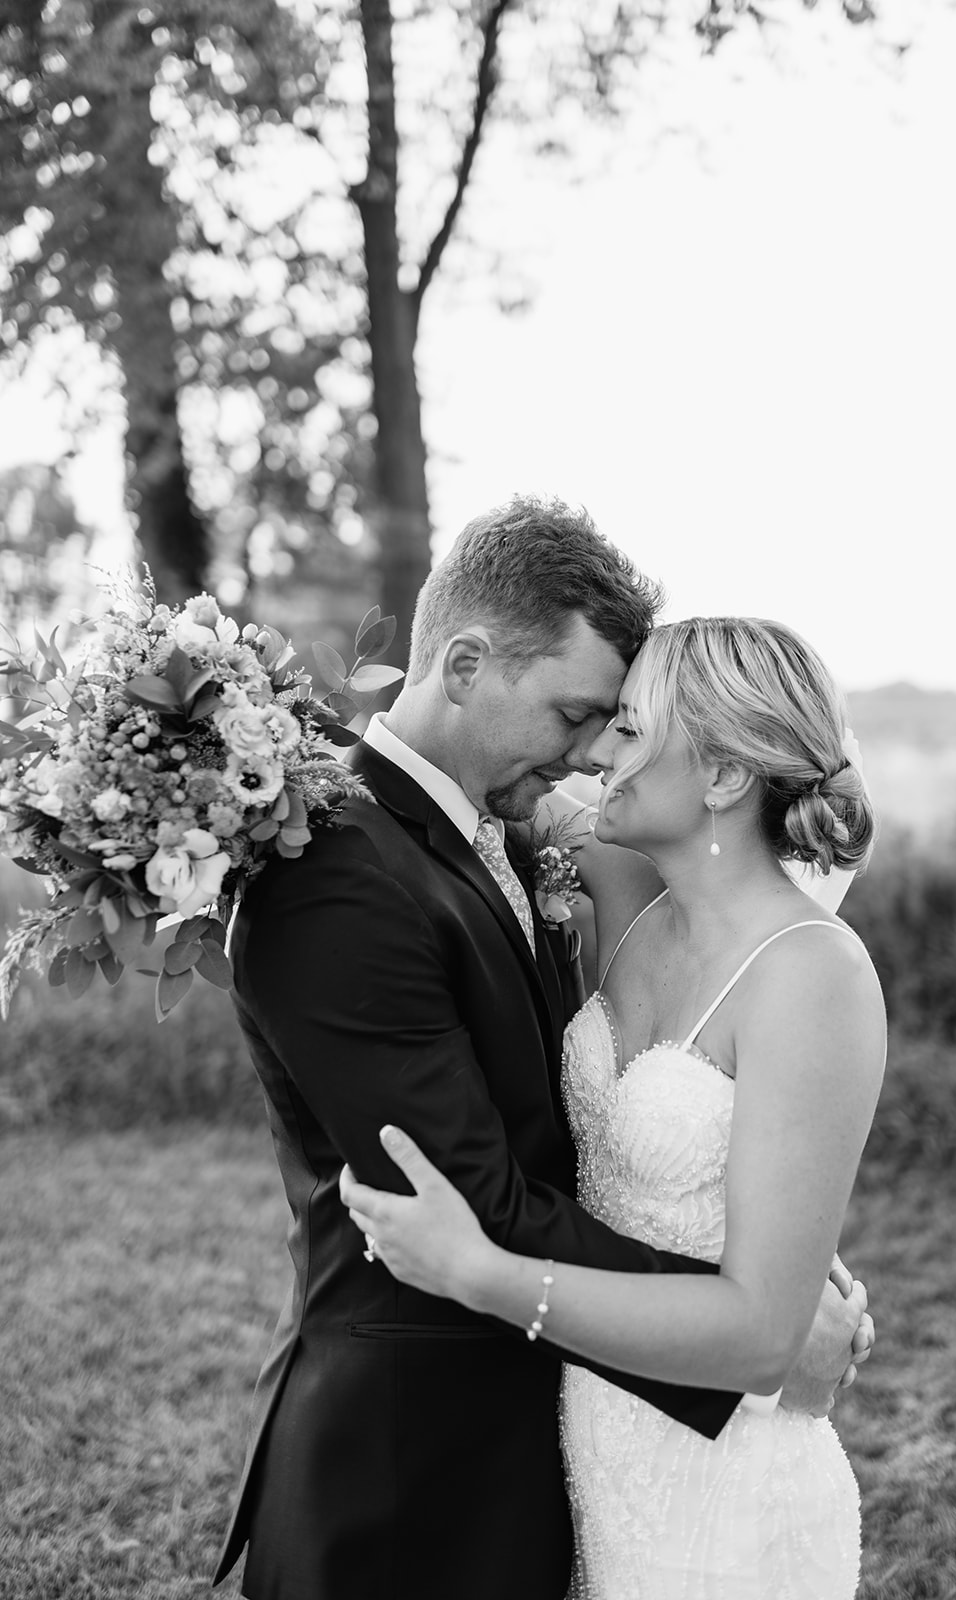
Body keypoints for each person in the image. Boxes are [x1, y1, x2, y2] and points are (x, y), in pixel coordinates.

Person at [213, 502, 873, 1600]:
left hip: (575, 1427)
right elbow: (474, 1197)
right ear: (465, 664)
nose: (588, 755)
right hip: (416, 1460)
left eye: (616, 724)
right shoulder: (338, 871)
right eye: (579, 714)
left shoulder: (504, 833)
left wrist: (772, 1265)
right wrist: (756, 1324)